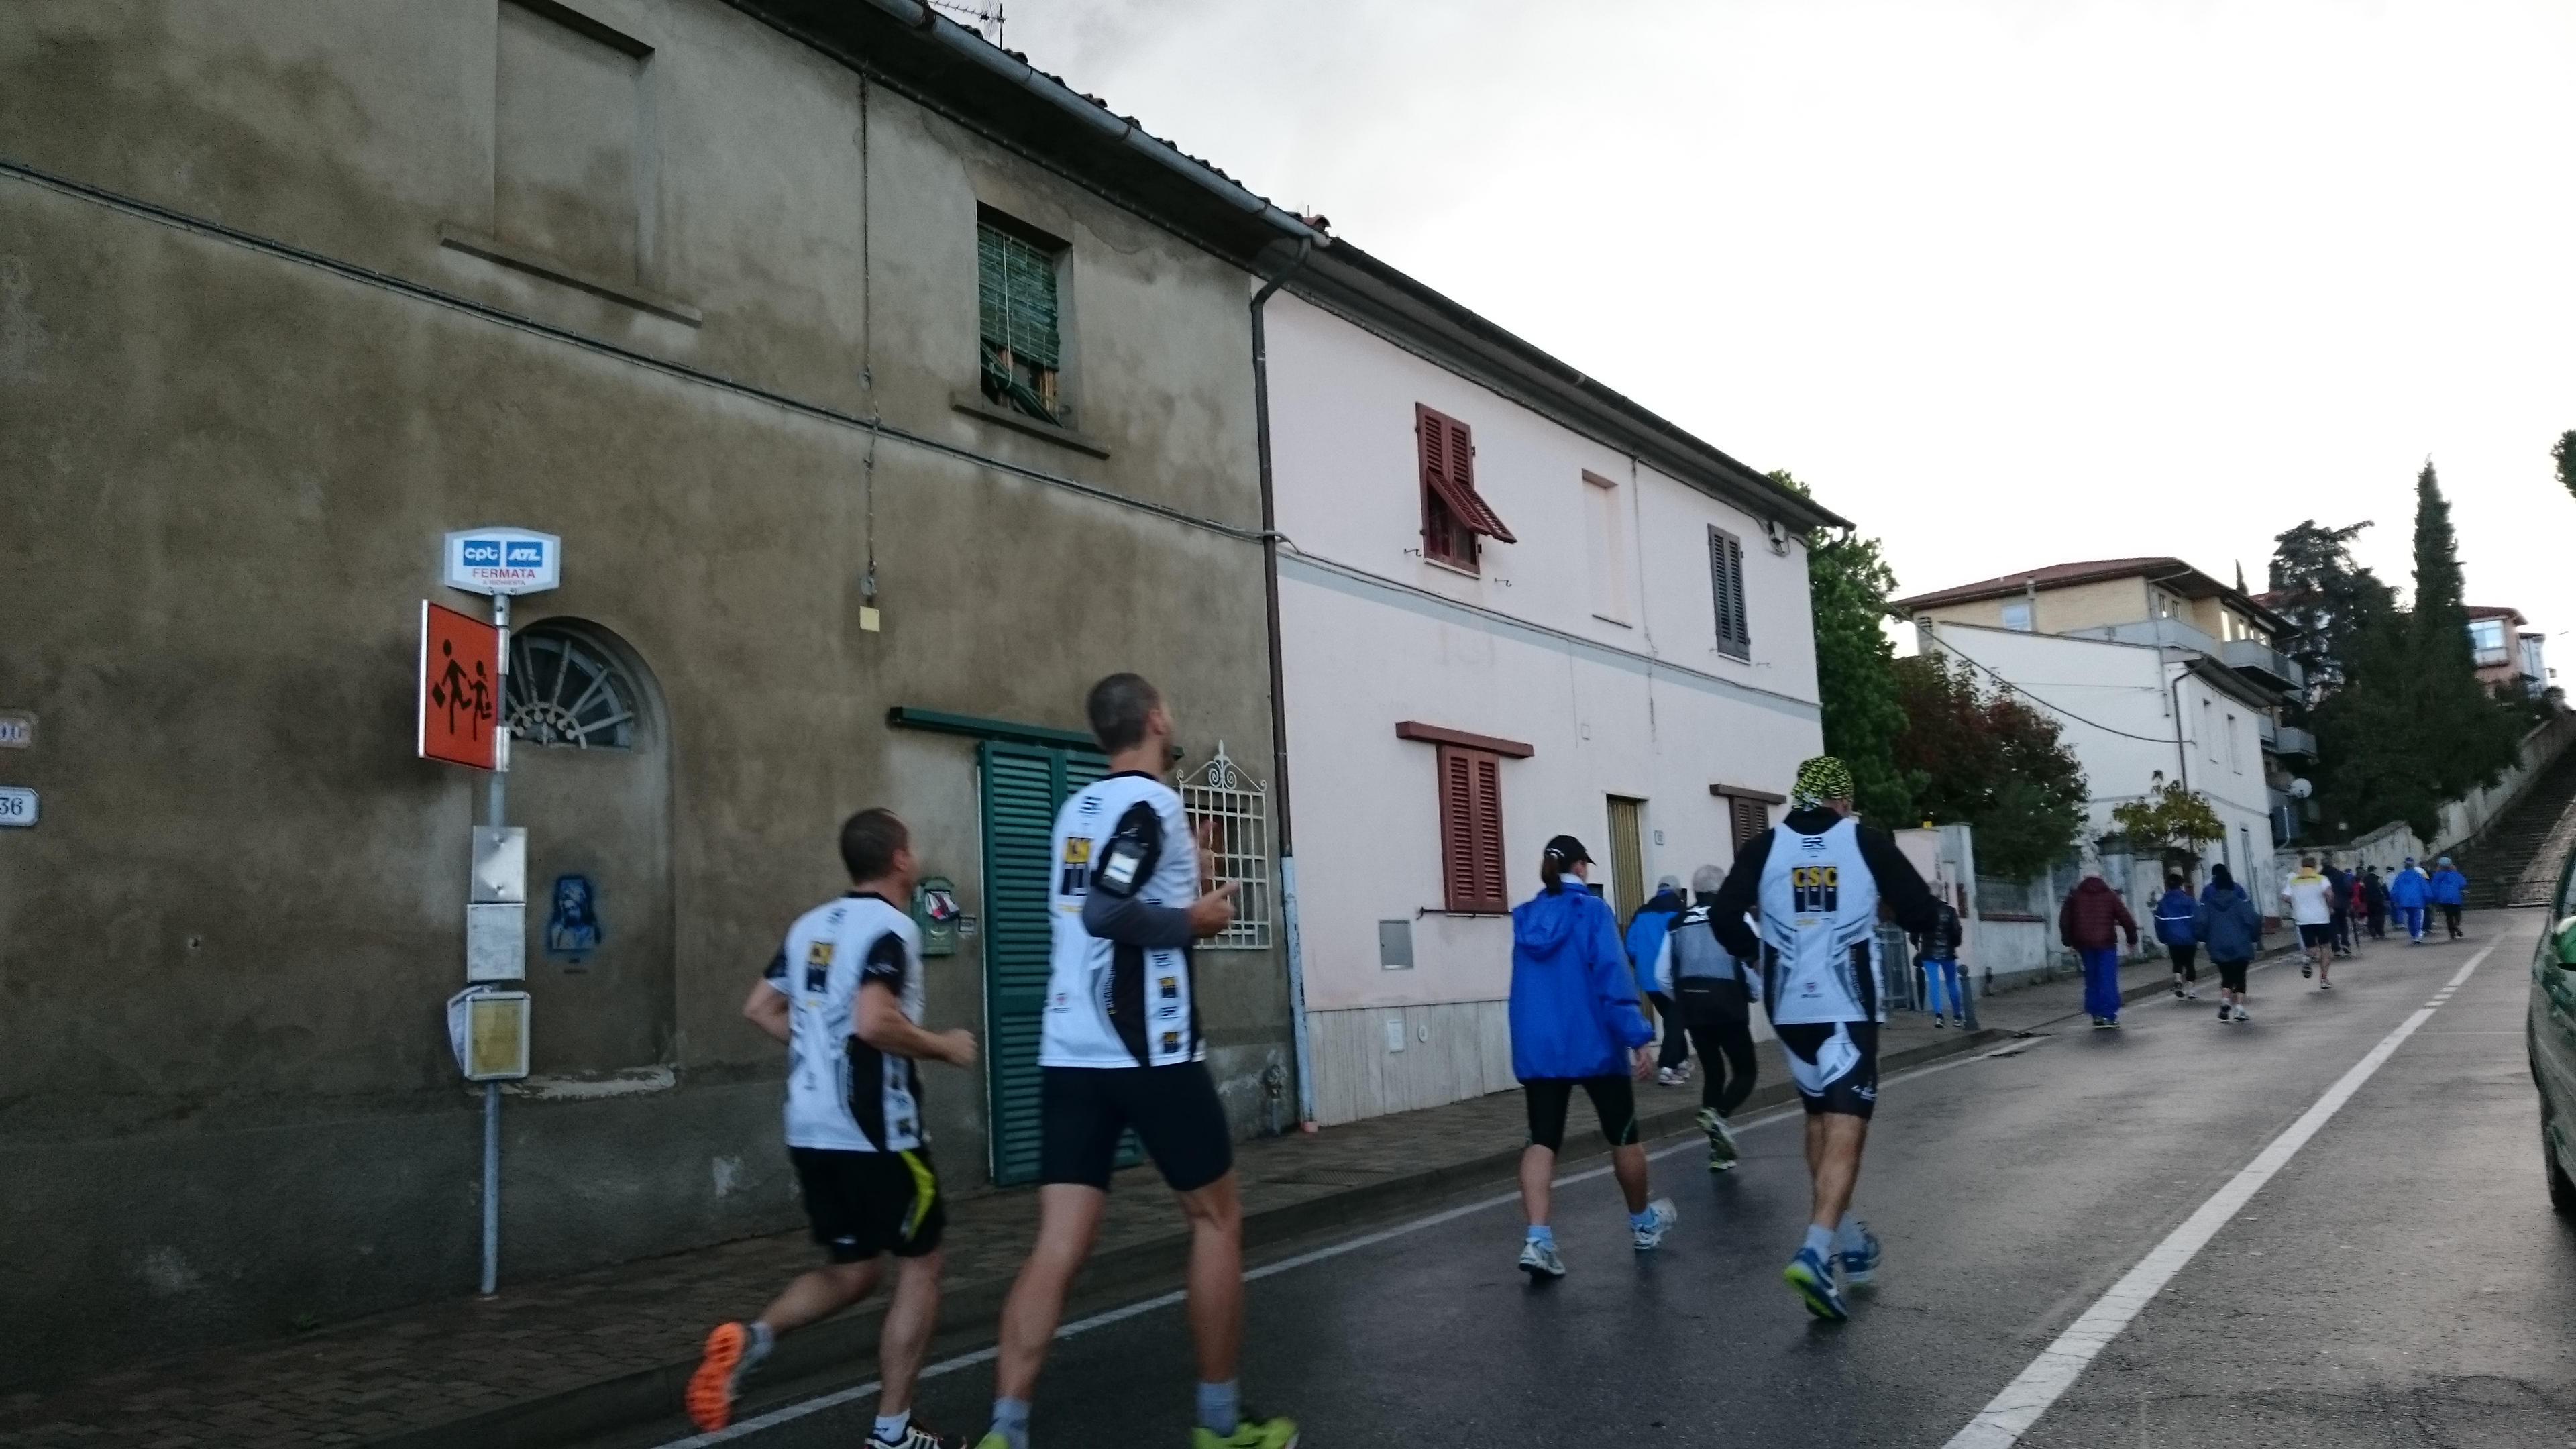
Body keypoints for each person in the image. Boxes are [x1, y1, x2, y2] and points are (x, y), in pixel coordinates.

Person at [977, 675, 1293, 1449]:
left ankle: (1005, 1432)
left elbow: (1115, 884)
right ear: (1155, 719)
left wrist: (1192, 871)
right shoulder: (1152, 805)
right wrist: (1194, 920)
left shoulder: (1076, 809)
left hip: (1069, 1051)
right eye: (1168, 710)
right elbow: (1107, 909)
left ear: (1098, 736)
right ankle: (1220, 1426)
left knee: (1059, 1244)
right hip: (1148, 1048)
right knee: (1216, 1220)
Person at [686, 809, 979, 1448]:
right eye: (911, 845)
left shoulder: (810, 926)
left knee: (856, 1268)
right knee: (923, 1266)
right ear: (900, 859)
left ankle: (754, 1339)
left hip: (810, 1127)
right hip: (877, 1132)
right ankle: (892, 1432)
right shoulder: (893, 929)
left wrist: (819, 1051)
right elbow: (874, 1021)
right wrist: (944, 1047)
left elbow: (759, 1007)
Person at [1709, 755, 1941, 1322]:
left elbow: (1722, 915)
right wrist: (1895, 912)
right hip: (1846, 1004)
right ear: (1842, 801)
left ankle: (1850, 1240)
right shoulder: (1866, 842)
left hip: (1788, 1007)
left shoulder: (1764, 847)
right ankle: (1815, 1253)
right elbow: (1920, 911)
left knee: (1817, 1117)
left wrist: (1755, 953)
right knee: (1847, 1125)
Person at [1511, 835, 1676, 1277]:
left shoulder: (1526, 918)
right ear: (1581, 867)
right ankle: (1642, 1224)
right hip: (1594, 1042)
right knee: (1623, 1135)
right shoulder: (1593, 911)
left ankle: (1538, 1240)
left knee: (1542, 1139)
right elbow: (1611, 978)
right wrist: (1637, 1038)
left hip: (1542, 1048)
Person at [1659, 864, 1765, 1169]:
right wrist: (1755, 992)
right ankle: (1718, 1115)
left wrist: (1683, 999)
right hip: (1729, 1006)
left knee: (1713, 1074)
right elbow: (1751, 960)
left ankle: (1718, 1153)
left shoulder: (1677, 923)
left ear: (1695, 891)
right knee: (1745, 1072)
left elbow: (1661, 974)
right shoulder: (1735, 916)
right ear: (1722, 888)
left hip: (1694, 1011)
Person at [1624, 876, 1691, 1086]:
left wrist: (1642, 965)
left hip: (1647, 979)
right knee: (1675, 1019)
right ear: (1677, 891)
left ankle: (1681, 1061)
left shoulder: (1642, 912)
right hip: (1673, 978)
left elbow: (1630, 946)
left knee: (1672, 1019)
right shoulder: (1681, 912)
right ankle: (1667, 1068)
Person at [2059, 867, 2139, 1028]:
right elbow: (2126, 918)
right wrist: (2132, 938)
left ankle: (2095, 1013)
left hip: (2084, 943)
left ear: (2083, 877)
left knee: (2092, 977)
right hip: (2106, 943)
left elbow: (2065, 920)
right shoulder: (2110, 895)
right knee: (2107, 977)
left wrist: (2069, 941)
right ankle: (2108, 1015)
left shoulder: (2075, 896)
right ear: (2101, 877)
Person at [2195, 863, 2262, 1023]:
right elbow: (2254, 920)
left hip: (2217, 946)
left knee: (2226, 975)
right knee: (2240, 976)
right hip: (2240, 944)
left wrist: (2203, 938)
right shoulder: (2240, 903)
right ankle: (2239, 1008)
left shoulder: (2209, 905)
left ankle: (2225, 1001)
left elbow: (2200, 923)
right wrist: (2254, 937)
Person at [1912, 892, 1967, 1028]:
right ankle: (1957, 1016)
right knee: (1951, 984)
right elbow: (1956, 931)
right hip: (1948, 953)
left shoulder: (1922, 911)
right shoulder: (1950, 911)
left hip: (1928, 953)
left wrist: (1917, 946)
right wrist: (1953, 944)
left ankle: (1939, 1016)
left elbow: (1914, 932)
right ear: (1941, 893)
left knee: (1934, 984)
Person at [2282, 855, 2336, 987]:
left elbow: (2285, 897)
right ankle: (2324, 979)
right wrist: (2330, 907)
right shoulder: (2321, 879)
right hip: (2321, 918)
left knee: (2311, 947)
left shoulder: (2294, 880)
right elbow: (2330, 894)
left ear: (2302, 866)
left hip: (2303, 919)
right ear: (2315, 866)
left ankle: (2307, 958)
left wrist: (2296, 903)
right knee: (2325, 948)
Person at [2152, 872, 2200, 1000]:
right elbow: (2197, 919)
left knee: (2177, 961)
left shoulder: (2163, 903)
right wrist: (2199, 934)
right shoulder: (2189, 901)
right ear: (2181, 885)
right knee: (2190, 963)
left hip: (2172, 938)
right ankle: (2191, 990)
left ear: (2167, 886)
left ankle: (2178, 980)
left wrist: (2162, 938)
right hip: (2190, 938)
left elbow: (2159, 922)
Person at [2388, 857, 2431, 944]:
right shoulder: (2418, 876)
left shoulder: (2400, 876)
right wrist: (2429, 899)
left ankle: (2413, 934)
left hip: (2404, 901)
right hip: (2418, 900)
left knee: (2410, 917)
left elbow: (2395, 890)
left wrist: (2395, 900)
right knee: (2418, 917)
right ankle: (2418, 935)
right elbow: (2425, 888)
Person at [2321, 856, 2355, 959]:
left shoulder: (2321, 876)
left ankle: (2336, 948)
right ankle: (2345, 943)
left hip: (2327, 904)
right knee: (2343, 924)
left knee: (2332, 927)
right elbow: (2348, 888)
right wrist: (2349, 899)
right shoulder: (2340, 874)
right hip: (2341, 903)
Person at [2430, 856, 2468, 940]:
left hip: (2443, 898)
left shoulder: (2437, 875)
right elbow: (2462, 883)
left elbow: (2434, 887)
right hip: (2455, 896)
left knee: (2449, 915)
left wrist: (2435, 897)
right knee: (2457, 913)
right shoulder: (2455, 874)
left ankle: (2452, 933)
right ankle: (2456, 924)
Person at [2362, 866, 2390, 940]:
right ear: (2374, 870)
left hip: (2369, 900)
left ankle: (2372, 929)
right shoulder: (2379, 878)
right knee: (2380, 915)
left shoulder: (2364, 880)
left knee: (2371, 915)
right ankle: (2380, 931)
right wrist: (2388, 897)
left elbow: (2362, 890)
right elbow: (2384, 888)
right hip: (2379, 900)